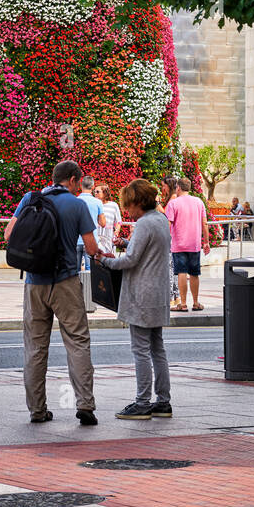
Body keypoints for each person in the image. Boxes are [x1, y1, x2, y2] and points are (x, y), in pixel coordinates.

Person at [5, 159, 100, 426]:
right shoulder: (77, 204)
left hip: (34, 282)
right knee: (77, 342)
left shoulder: (30, 198)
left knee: (35, 348)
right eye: (78, 182)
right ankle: (85, 405)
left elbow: (8, 233)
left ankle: (37, 410)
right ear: (72, 180)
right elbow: (91, 249)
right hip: (66, 282)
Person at [97, 178, 172, 420]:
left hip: (141, 294)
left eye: (130, 205)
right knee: (157, 349)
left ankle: (142, 402)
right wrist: (127, 243)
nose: (128, 210)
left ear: (139, 201)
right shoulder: (160, 220)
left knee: (140, 350)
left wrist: (104, 260)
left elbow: (129, 261)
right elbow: (148, 251)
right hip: (158, 293)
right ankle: (163, 401)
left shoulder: (143, 224)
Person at [166, 178, 210, 312]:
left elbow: (168, 224)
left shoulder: (173, 203)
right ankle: (196, 302)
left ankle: (183, 304)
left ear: (178, 188)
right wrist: (206, 242)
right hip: (194, 244)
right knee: (195, 273)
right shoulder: (199, 202)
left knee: (181, 272)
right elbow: (205, 223)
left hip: (179, 244)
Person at [76, 175, 105, 275]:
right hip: (91, 240)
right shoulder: (98, 202)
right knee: (90, 272)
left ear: (81, 186)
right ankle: (89, 290)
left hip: (76, 240)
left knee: (75, 272)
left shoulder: (75, 201)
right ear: (93, 187)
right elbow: (103, 223)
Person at [160, 176, 181, 308]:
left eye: (164, 186)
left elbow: (167, 218)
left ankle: (170, 297)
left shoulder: (173, 199)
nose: (162, 188)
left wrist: (157, 206)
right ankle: (176, 296)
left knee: (169, 268)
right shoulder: (171, 199)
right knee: (171, 267)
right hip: (172, 237)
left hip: (170, 237)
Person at [93, 183, 121, 256]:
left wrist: (117, 231)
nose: (95, 194)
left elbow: (118, 221)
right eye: (94, 192)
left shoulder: (113, 205)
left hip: (109, 237)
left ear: (105, 193)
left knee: (108, 258)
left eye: (98, 192)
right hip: (96, 236)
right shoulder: (93, 205)